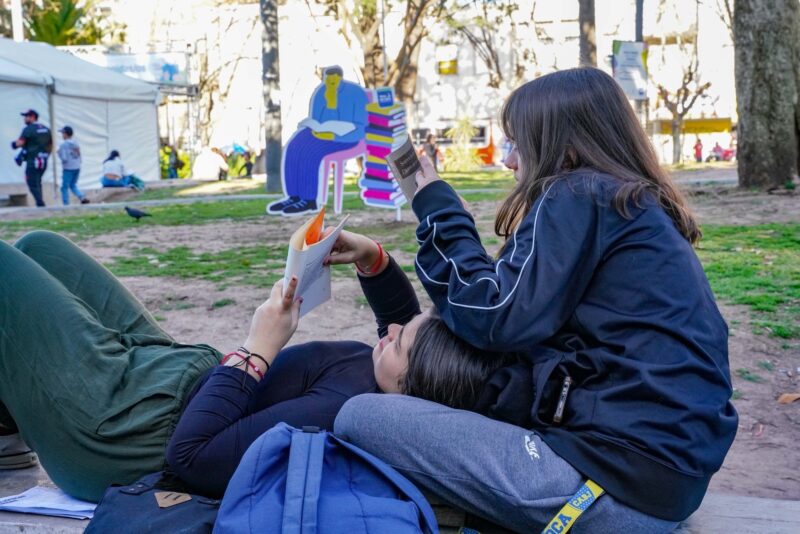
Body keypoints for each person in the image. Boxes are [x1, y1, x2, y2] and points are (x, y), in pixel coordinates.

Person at [334, 67, 738, 533]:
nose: (509, 161)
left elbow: (493, 315)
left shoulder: (579, 193)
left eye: (516, 143)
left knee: (363, 416)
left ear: (562, 145)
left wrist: (440, 210)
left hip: (611, 486)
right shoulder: (628, 207)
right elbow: (506, 313)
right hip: (656, 482)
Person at [0, 230, 513, 502]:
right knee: (43, 247)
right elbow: (403, 325)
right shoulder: (397, 384)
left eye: (399, 344)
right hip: (175, 373)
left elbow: (192, 459)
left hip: (125, 431)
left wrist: (258, 349)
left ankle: (9, 435)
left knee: (5, 266)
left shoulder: (339, 413)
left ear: (408, 395)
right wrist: (373, 259)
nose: (392, 331)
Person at [267, 66, 368, 216]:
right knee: (295, 145)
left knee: (311, 152)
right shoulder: (321, 93)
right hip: (322, 134)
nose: (330, 86)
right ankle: (294, 196)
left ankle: (308, 199)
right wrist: (316, 129)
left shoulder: (356, 93)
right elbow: (316, 120)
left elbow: (361, 129)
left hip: (347, 138)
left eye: (334, 83)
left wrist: (335, 137)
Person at [11, 109, 52, 207]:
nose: (24, 119)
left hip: (33, 160)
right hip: (43, 160)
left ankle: (40, 203)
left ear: (32, 117)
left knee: (31, 182)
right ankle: (40, 201)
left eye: (26, 116)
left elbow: (20, 143)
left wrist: (13, 145)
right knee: (38, 181)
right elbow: (50, 145)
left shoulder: (28, 129)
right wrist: (46, 155)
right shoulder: (46, 129)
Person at [57, 126, 88, 205]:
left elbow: (64, 158)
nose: (62, 135)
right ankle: (81, 196)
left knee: (64, 187)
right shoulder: (76, 143)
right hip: (77, 166)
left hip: (68, 168)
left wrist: (59, 153)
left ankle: (66, 203)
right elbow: (79, 154)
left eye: (63, 133)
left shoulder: (63, 145)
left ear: (66, 134)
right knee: (72, 184)